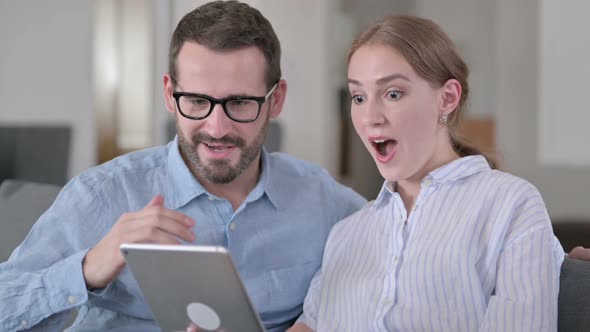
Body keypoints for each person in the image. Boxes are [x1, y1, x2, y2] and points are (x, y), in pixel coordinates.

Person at [0, 1, 366, 331]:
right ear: (169, 96)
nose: (217, 129)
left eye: (239, 103)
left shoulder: (322, 201)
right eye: (196, 101)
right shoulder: (101, 194)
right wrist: (87, 270)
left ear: (277, 100)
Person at [289, 15, 564, 332]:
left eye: (393, 93)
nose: (370, 117)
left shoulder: (511, 205)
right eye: (358, 97)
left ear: (447, 98)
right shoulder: (345, 233)